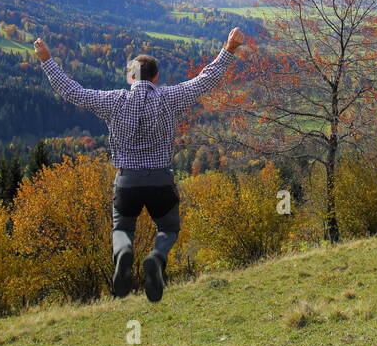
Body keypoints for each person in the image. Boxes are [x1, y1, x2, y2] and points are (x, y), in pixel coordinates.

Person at [33, 27, 246, 302]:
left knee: (122, 229)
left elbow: (73, 92)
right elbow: (206, 80)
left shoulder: (113, 101)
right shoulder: (169, 97)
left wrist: (46, 60)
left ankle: (123, 254)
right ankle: (156, 258)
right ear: (156, 78)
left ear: (131, 77)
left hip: (127, 182)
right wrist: (228, 49)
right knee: (168, 229)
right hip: (160, 180)